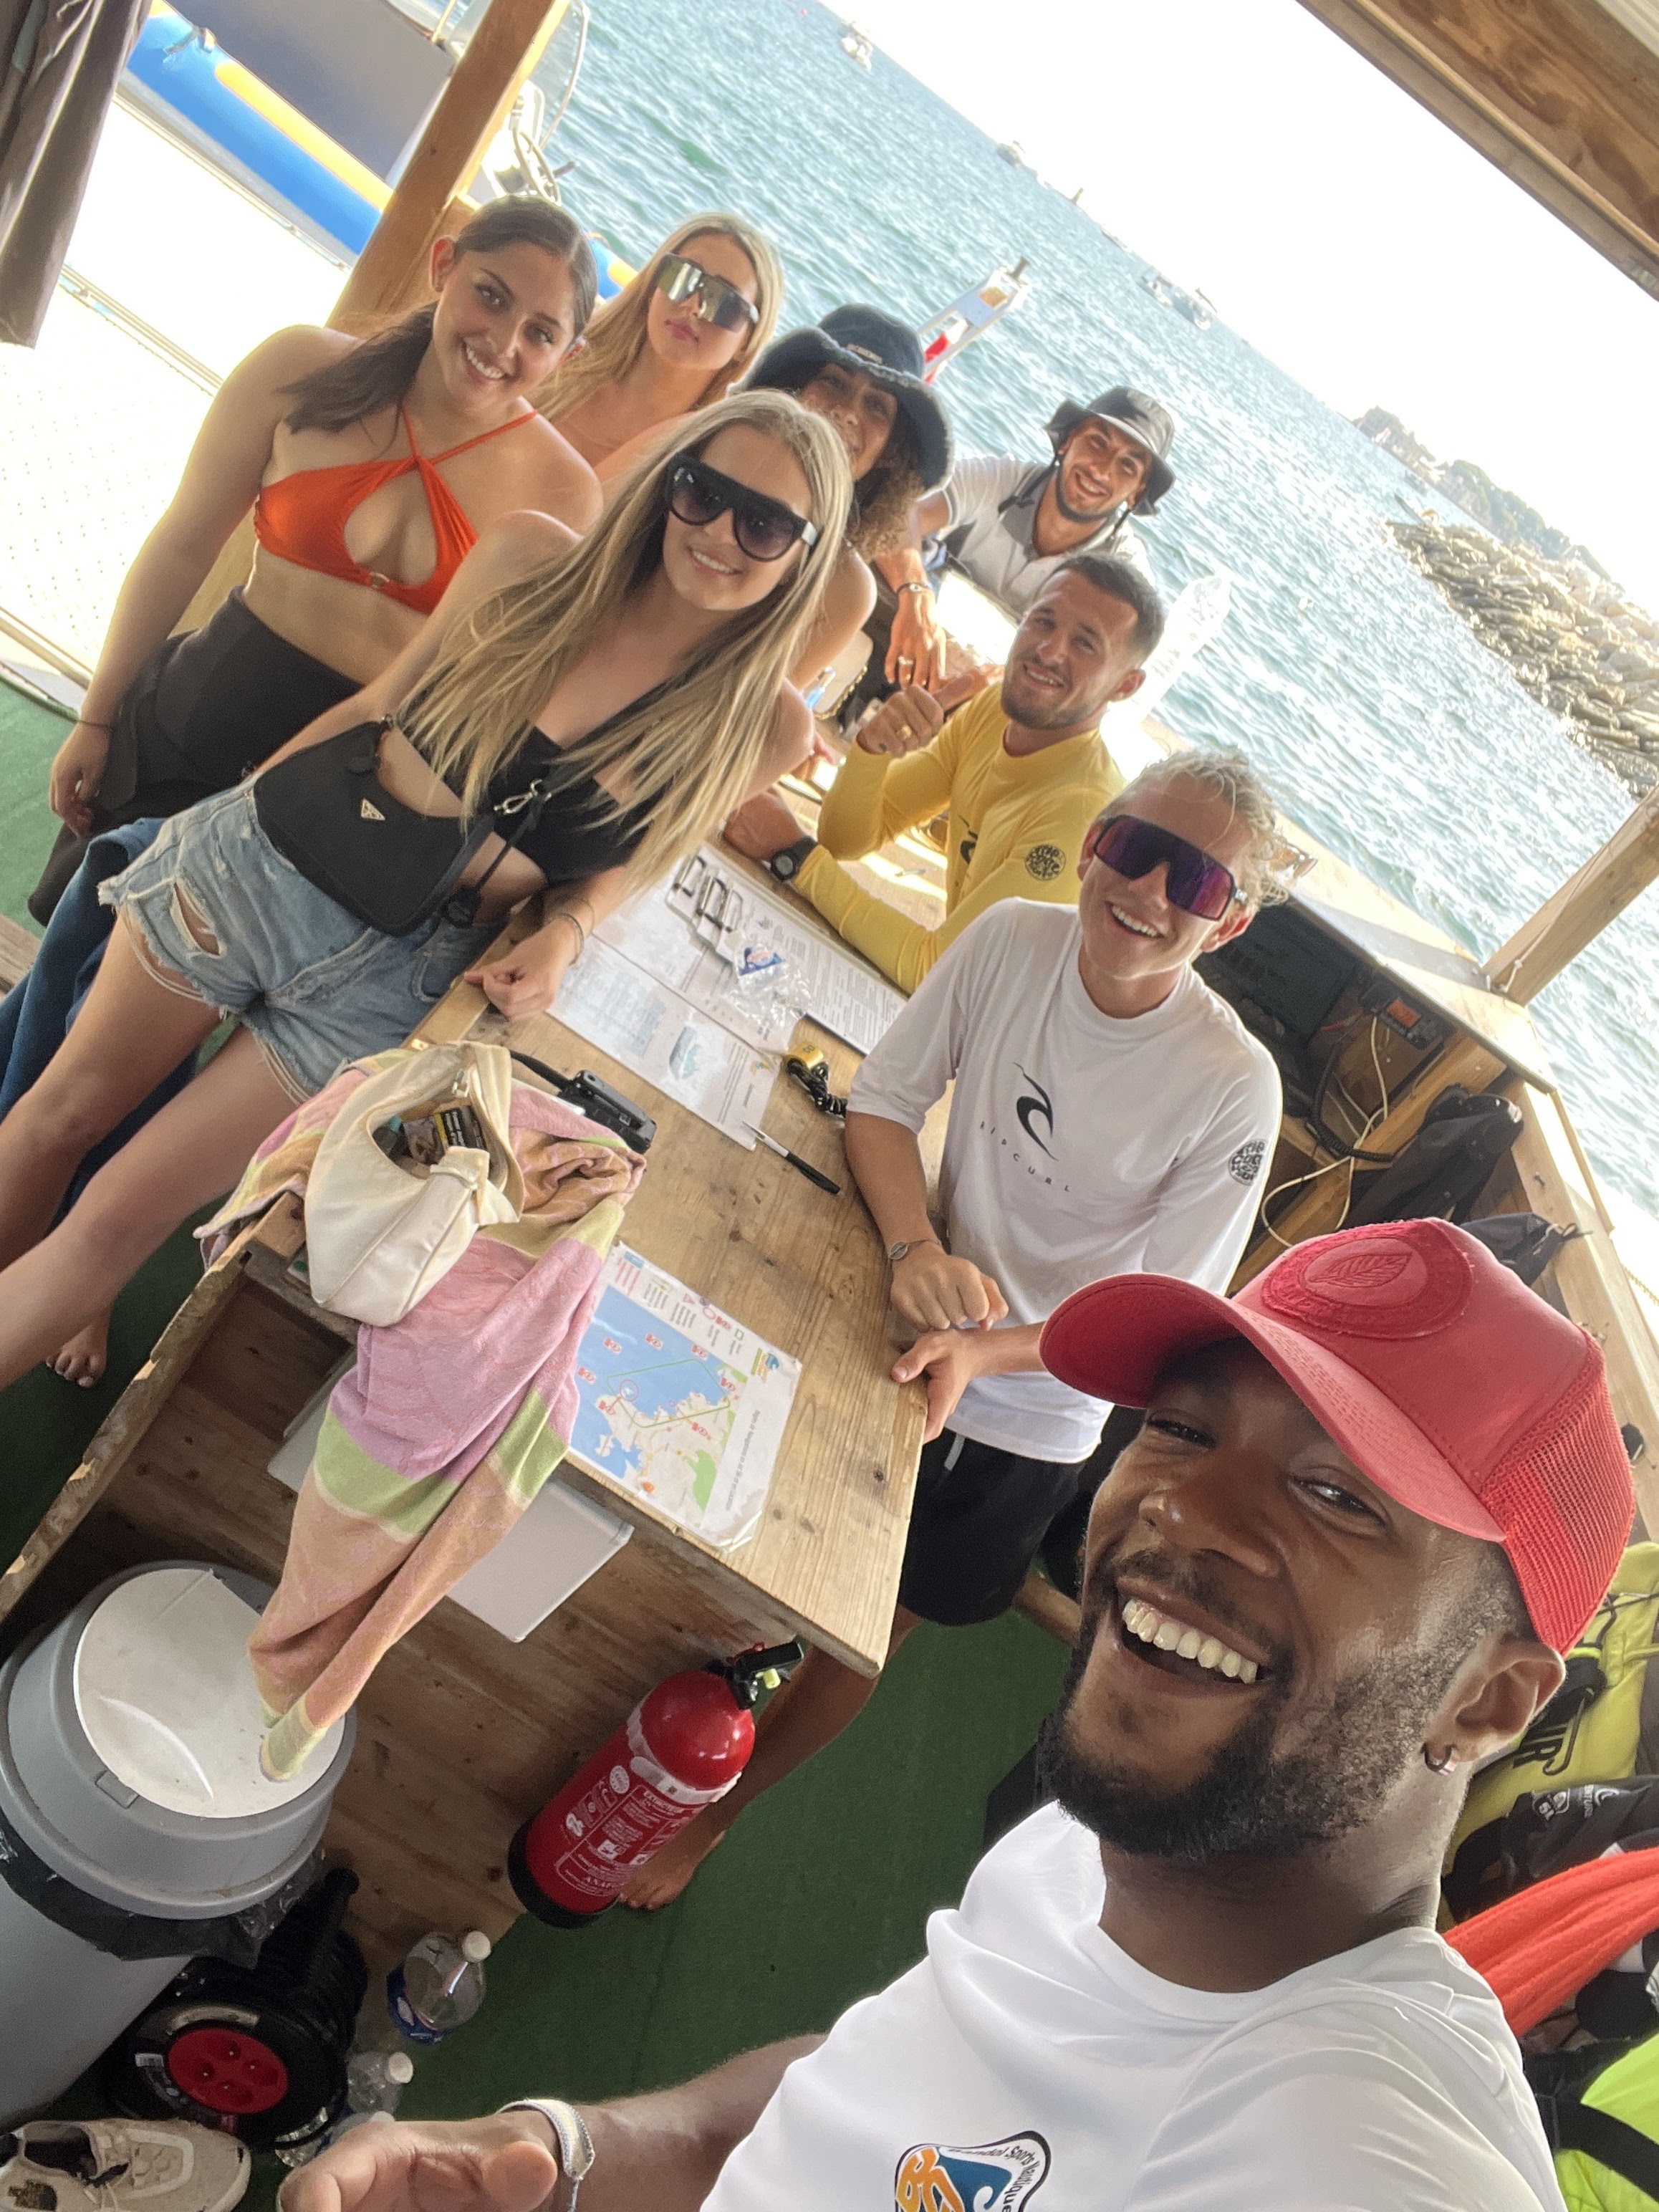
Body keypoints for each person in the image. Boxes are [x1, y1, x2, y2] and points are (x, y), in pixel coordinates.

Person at [276, 1216, 1635, 2211]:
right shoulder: (1102, 1846)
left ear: (1487, 1700)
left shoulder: (1358, 2152)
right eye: (1180, 1427)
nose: (1183, 1511)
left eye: (1337, 1497)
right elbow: (879, 2102)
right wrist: (566, 2156)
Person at [0, 392, 850, 1400]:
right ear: (671, 487)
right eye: (703, 491)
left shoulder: (763, 727)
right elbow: (378, 703)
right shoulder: (531, 558)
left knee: (122, 1217)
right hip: (269, 867)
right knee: (58, 1119)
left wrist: (570, 930)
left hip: (397, 976)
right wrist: (232, 816)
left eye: (764, 523)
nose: (720, 533)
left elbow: (638, 851)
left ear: (805, 553)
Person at [633, 749, 1284, 1907]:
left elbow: (1163, 1321)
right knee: (750, 1518)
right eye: (1135, 847)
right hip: (907, 1306)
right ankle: (680, 1702)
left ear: (1228, 922)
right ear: (1093, 844)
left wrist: (987, 1351)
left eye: (1195, 880)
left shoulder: (1233, 1085)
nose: (1149, 891)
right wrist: (913, 1251)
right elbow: (882, 1106)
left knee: (864, 1624)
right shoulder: (1009, 942)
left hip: (1036, 1406)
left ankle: (715, 1818)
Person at [37, 196, 602, 921]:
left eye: (541, 333)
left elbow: (498, 695)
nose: (502, 340)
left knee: (181, 985)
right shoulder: (300, 364)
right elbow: (182, 545)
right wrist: (97, 717)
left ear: (569, 355)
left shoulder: (566, 495)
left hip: (344, 790)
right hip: (200, 716)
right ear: (444, 266)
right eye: (489, 296)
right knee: (73, 941)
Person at [723, 554, 1161, 992]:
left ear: (1126, 685)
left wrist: (796, 856)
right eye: (1044, 621)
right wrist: (873, 749)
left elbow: (939, 970)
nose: (1049, 650)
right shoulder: (994, 712)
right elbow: (845, 839)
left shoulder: (1082, 814)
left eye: (1085, 644)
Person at [877, 382, 1177, 688]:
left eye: (1128, 465)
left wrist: (1001, 680)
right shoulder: (1001, 479)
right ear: (1068, 440)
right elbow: (897, 515)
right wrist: (915, 593)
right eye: (1098, 442)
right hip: (917, 647)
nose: (1102, 470)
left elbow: (1108, 670)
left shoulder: (1125, 571)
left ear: (1137, 492)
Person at [742, 304, 952, 693]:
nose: (847, 412)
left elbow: (757, 708)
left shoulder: (846, 590)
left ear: (892, 450)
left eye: (876, 405)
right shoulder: (700, 468)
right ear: (793, 388)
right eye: (834, 382)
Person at [539, 213, 781, 481]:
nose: (692, 305)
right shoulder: (558, 352)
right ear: (655, 283)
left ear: (748, 341)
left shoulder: (703, 465)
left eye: (722, 301)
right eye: (682, 275)